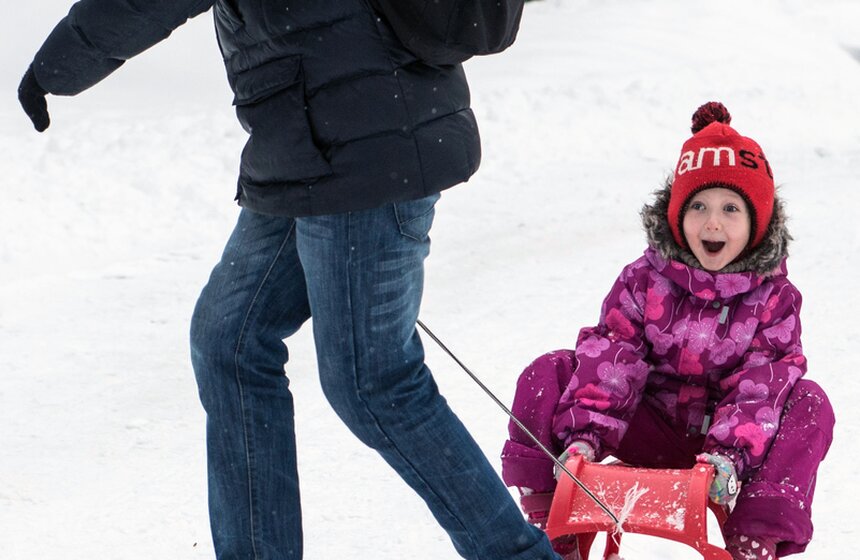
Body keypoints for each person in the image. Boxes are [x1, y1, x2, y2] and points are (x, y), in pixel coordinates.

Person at [18, 1, 560, 559]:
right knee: (229, 341)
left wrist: (58, 65)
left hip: (359, 143)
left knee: (373, 384)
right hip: (313, 137)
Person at [501, 102, 835, 560]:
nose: (712, 221)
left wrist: (728, 455)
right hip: (645, 425)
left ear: (757, 222)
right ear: (676, 216)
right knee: (549, 371)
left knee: (808, 402)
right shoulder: (643, 279)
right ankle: (549, 512)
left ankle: (754, 536)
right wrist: (585, 437)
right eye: (698, 206)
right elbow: (614, 357)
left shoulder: (775, 299)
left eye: (730, 208)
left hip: (722, 448)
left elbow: (761, 383)